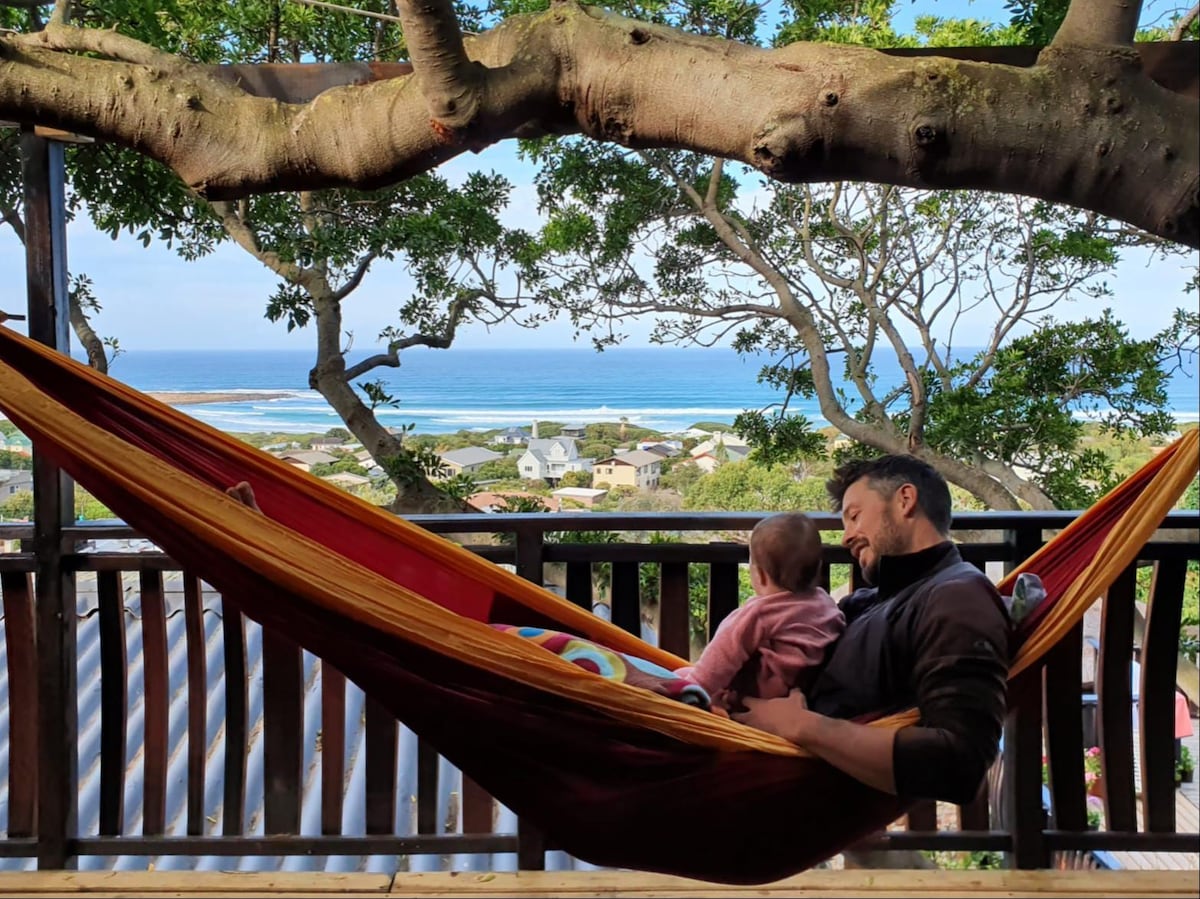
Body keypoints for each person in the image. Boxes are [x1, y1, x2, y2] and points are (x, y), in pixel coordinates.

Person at [732, 455, 1012, 805]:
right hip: (746, 744)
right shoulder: (869, 602)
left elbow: (960, 761)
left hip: (766, 774)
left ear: (905, 500)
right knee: (643, 679)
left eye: (854, 516)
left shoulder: (957, 596)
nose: (847, 537)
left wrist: (801, 726)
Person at [677, 513, 844, 713]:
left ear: (761, 576)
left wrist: (692, 693)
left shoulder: (760, 614)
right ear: (818, 569)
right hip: (798, 701)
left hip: (749, 703)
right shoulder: (827, 606)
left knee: (679, 676)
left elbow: (718, 660)